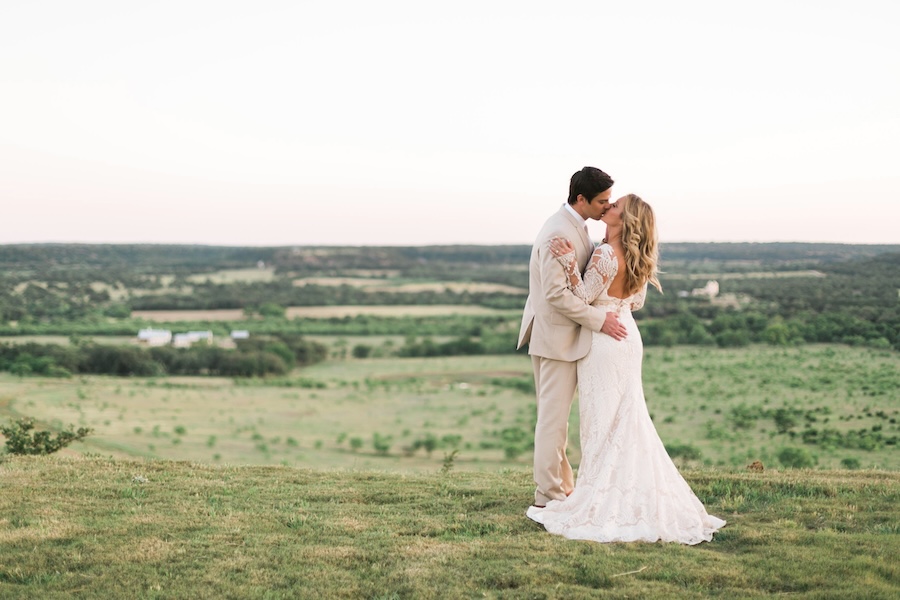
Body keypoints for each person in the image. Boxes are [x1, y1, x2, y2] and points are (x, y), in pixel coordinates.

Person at [526, 194, 726, 544]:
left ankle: (601, 496)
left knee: (602, 423)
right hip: (628, 335)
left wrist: (569, 264)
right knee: (627, 420)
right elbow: (635, 302)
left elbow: (583, 297)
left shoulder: (604, 254)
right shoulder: (637, 258)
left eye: (614, 205)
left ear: (625, 219)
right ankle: (624, 493)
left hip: (603, 341)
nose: (609, 207)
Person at [517, 167, 628, 509]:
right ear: (581, 199)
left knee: (558, 420)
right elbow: (555, 295)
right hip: (555, 338)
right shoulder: (557, 231)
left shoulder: (576, 226)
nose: (607, 208)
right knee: (552, 420)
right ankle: (546, 495)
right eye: (602, 201)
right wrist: (600, 321)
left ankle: (562, 487)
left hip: (565, 336)